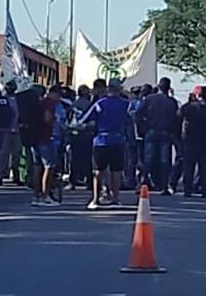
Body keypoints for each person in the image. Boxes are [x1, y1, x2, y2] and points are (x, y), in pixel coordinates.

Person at [78, 78, 130, 210]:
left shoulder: (100, 103)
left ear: (108, 88)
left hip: (101, 140)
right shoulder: (126, 104)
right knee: (117, 170)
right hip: (118, 139)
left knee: (98, 171)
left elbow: (83, 120)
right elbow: (131, 119)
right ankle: (115, 198)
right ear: (119, 90)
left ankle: (95, 200)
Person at [136, 77, 178, 194]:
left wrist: (142, 128)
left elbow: (139, 114)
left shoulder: (149, 99)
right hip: (166, 132)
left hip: (151, 131)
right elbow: (176, 119)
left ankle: (142, 183)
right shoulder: (172, 102)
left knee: (148, 159)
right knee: (164, 160)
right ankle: (164, 186)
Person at [179, 85, 206, 198]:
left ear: (197, 95)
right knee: (205, 167)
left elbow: (179, 117)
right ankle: (205, 189)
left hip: (191, 140)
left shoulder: (189, 107)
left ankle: (188, 190)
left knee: (189, 166)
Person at [68, 85, 95, 189]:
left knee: (74, 159)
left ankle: (73, 181)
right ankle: (89, 181)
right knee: (88, 159)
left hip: (75, 133)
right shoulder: (90, 105)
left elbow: (69, 118)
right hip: (87, 134)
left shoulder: (73, 104)